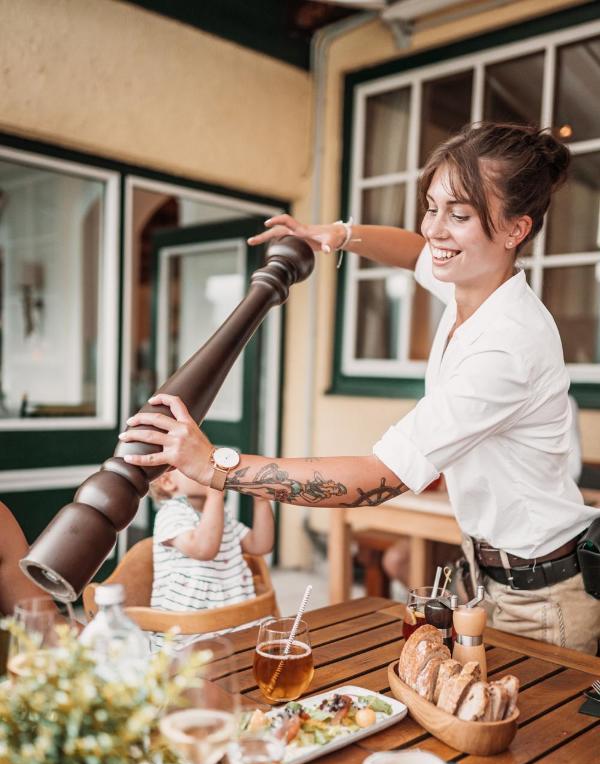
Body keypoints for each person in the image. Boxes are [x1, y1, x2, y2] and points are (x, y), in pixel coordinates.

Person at [118, 122, 600, 655]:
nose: (436, 228)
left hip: (542, 601)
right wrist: (340, 235)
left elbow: (382, 476)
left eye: (459, 215)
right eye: (432, 206)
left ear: (515, 230)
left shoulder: (507, 344)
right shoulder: (467, 284)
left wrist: (217, 466)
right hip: (490, 577)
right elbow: (415, 250)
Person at [148, 467, 274, 647]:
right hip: (189, 634)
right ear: (168, 482)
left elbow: (260, 545)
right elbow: (203, 549)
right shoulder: (170, 514)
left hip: (236, 623)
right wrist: (215, 494)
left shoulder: (221, 517)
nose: (210, 470)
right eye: (194, 464)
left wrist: (262, 501)